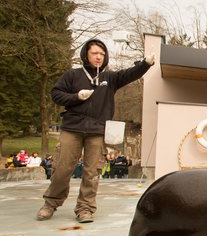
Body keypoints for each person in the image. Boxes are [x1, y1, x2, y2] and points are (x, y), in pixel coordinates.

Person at [36, 38, 155, 223]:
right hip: (72, 127)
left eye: (102, 54)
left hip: (97, 130)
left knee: (92, 172)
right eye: (95, 53)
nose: (99, 57)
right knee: (62, 168)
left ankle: (85, 208)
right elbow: (56, 94)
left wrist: (146, 64)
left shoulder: (110, 78)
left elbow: (131, 73)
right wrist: (76, 97)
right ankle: (50, 203)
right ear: (86, 55)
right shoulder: (72, 75)